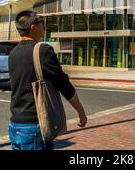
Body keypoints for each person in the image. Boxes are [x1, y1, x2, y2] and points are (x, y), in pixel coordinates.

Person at [8, 11, 87, 151]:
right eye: (41, 23)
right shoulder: (42, 50)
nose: (43, 25)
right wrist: (81, 112)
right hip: (35, 126)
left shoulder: (13, 54)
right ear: (33, 27)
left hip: (15, 125)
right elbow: (64, 86)